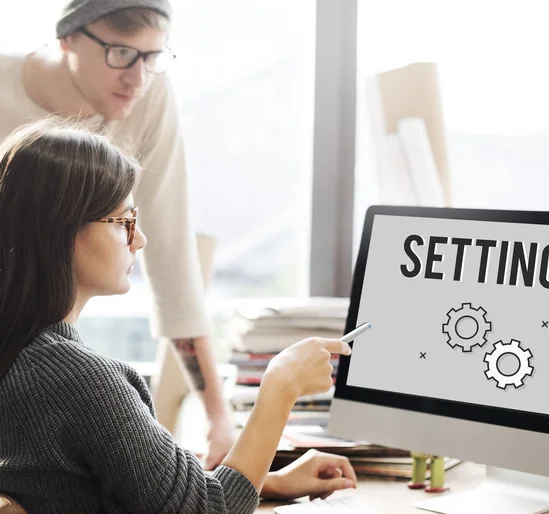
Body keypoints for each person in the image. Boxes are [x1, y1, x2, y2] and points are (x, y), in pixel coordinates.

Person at [0, 118, 357, 513]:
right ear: (61, 231)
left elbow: (97, 488)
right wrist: (281, 387)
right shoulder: (78, 380)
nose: (140, 240)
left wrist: (266, 482)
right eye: (124, 222)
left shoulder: (22, 356)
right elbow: (208, 510)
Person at [0, 0, 236, 468]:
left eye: (154, 57)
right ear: (68, 37)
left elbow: (170, 257)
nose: (138, 78)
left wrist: (218, 418)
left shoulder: (149, 95)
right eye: (121, 53)